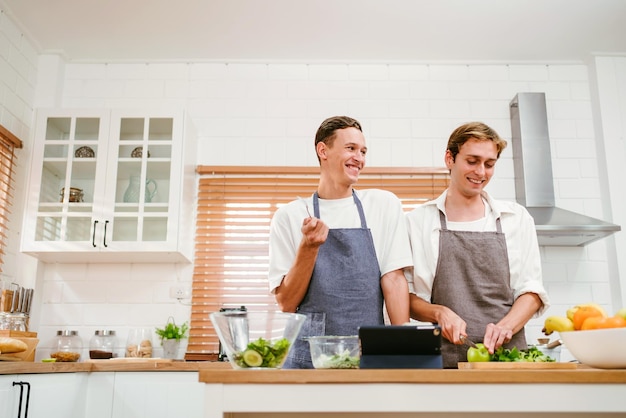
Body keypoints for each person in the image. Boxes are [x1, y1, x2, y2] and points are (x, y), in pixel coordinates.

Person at [268, 115, 413, 369]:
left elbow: (393, 279)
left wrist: (403, 348)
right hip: (308, 359)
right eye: (351, 148)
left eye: (363, 151)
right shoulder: (289, 216)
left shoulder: (383, 205)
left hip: (368, 353)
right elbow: (287, 303)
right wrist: (309, 247)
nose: (360, 157)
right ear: (323, 150)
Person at [405, 121, 550, 368]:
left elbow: (532, 291)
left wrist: (506, 326)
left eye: (489, 164)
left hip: (508, 361)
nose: (481, 172)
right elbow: (407, 297)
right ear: (450, 159)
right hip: (441, 361)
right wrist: (439, 312)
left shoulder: (515, 218)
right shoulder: (418, 221)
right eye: (472, 161)